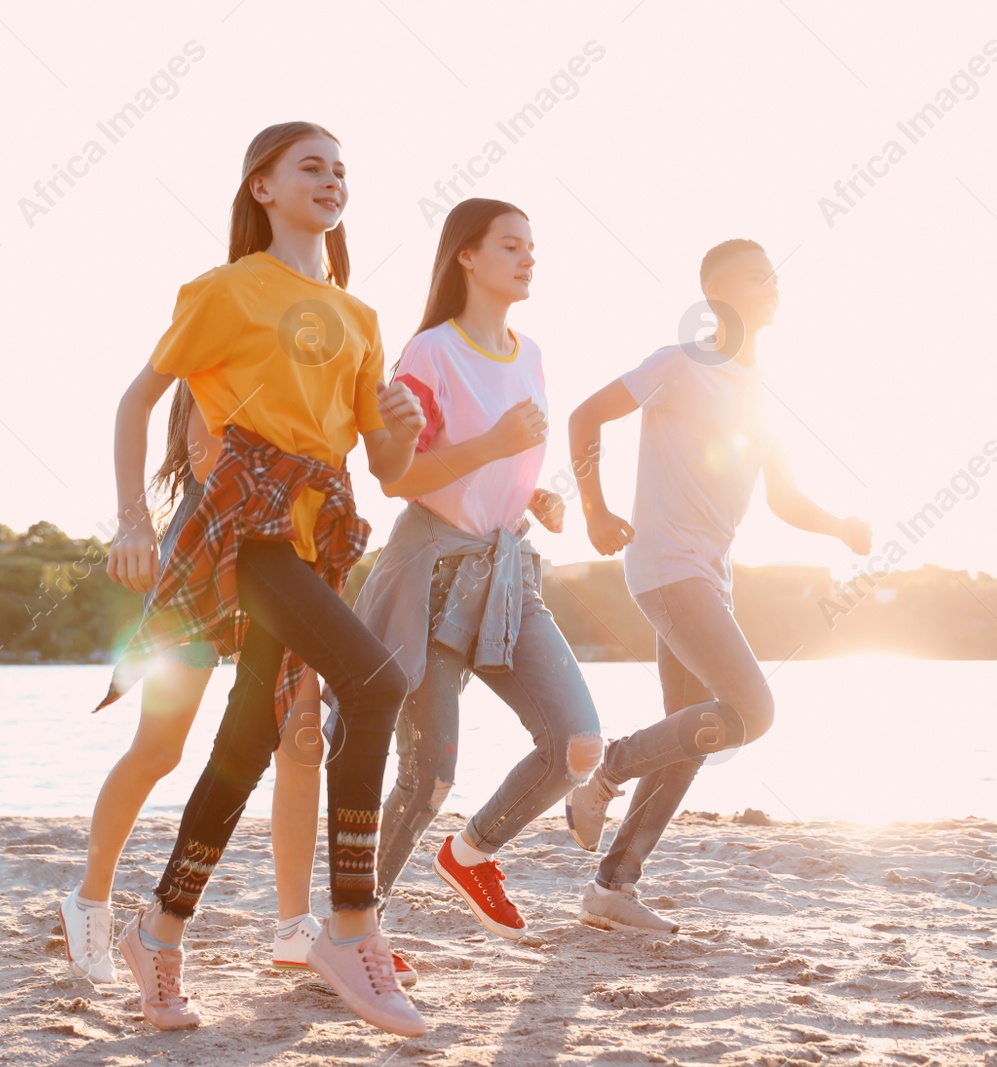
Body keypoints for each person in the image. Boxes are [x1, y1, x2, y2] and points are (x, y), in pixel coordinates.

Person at [98, 121, 428, 1036]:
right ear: (262, 189)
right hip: (245, 528)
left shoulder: (360, 315)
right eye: (309, 167)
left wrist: (399, 419)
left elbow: (388, 467)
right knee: (378, 682)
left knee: (248, 740)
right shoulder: (226, 291)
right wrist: (133, 516)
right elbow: (139, 396)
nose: (331, 180)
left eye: (340, 170)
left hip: (316, 536)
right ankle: (352, 925)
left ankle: (157, 932)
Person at [563, 238, 871, 931]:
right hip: (667, 568)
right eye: (759, 277)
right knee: (751, 711)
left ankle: (612, 887)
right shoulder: (679, 364)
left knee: (692, 733)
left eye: (775, 276)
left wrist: (838, 526)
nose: (774, 286)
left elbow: (783, 498)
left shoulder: (760, 389)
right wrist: (594, 509)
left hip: (709, 576)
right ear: (720, 293)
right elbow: (586, 415)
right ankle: (606, 774)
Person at [62, 386, 414, 987]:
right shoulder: (235, 341)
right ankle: (90, 902)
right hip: (204, 553)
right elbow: (204, 453)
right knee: (160, 750)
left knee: (300, 744)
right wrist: (133, 520)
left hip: (285, 560)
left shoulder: (323, 350)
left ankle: (294, 926)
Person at [343, 199, 603, 941]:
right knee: (428, 778)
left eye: (532, 248)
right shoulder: (430, 352)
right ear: (466, 255)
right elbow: (401, 475)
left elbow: (504, 464)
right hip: (432, 574)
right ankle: (356, 927)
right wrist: (493, 446)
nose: (528, 259)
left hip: (507, 572)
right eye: (511, 246)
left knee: (577, 742)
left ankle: (473, 851)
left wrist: (537, 493)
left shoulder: (531, 353)